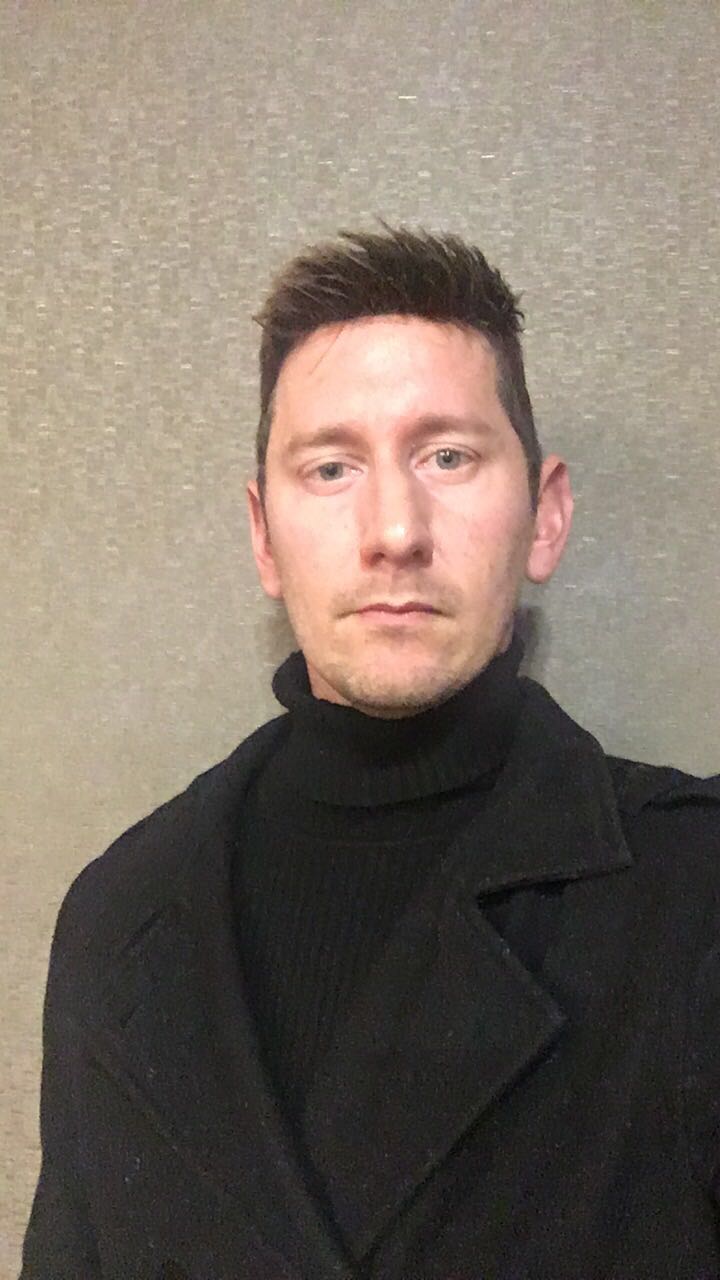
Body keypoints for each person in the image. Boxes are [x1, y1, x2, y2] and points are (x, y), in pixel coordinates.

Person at [20, 223, 720, 1280]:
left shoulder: (695, 896)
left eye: (448, 456)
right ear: (264, 535)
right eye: (332, 466)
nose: (395, 529)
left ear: (545, 516)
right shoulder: (118, 915)